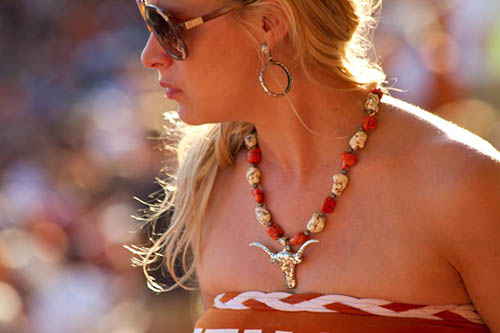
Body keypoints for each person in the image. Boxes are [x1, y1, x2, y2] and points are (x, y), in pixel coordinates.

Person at [127, 0, 500, 331]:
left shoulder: (460, 183)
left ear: (270, 23)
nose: (149, 54)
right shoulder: (212, 180)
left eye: (167, 25)